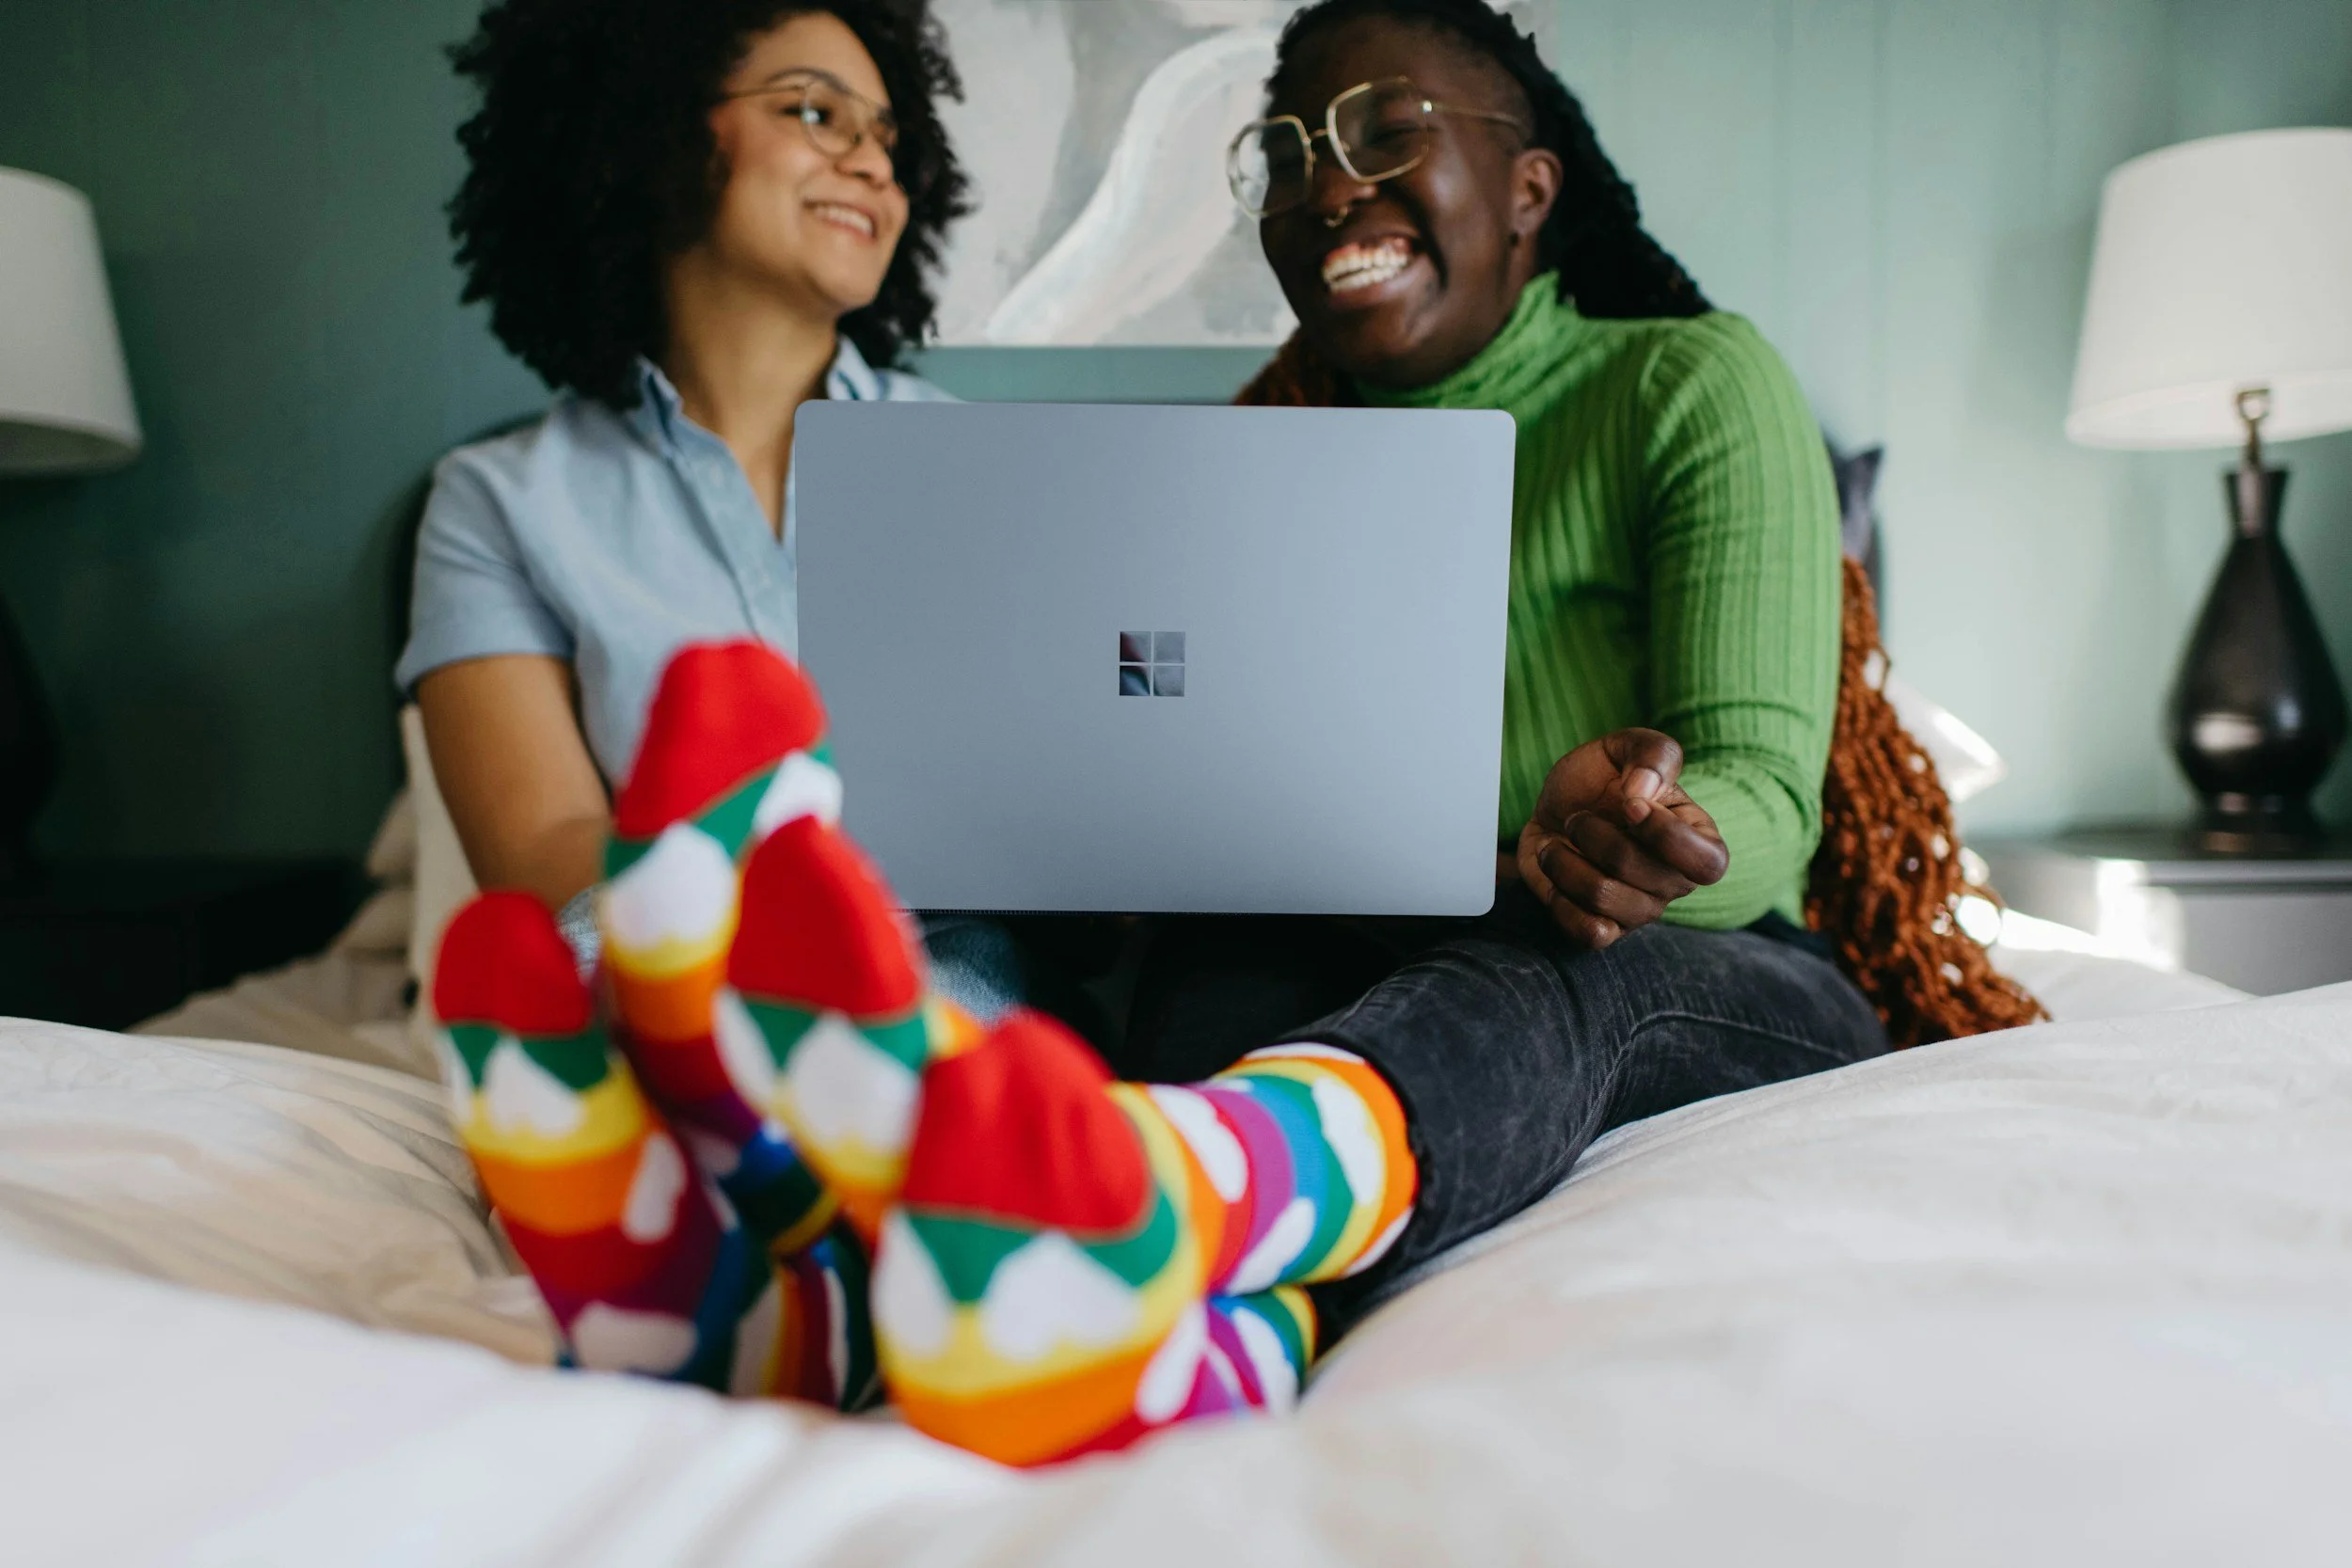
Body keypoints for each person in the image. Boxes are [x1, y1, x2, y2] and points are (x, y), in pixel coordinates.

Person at [426, 0, 2045, 1472]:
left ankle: (1158, 1190)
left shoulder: (1685, 380)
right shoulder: (1245, 459)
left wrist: (1627, 834)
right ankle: (1036, 1327)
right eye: (1283, 157)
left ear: (1534, 188)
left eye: (1383, 132)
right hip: (1320, 943)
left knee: (1532, 967)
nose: (1328, 188)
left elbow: (1769, 798)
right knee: (1209, 988)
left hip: (1661, 945)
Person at [396, 0, 1029, 1006]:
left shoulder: (983, 467)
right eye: (817, 113)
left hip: (942, 989)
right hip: (667, 978)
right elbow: (543, 849)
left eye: (888, 139)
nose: (873, 165)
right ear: (656, 130)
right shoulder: (499, 501)